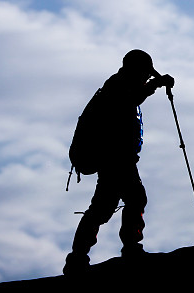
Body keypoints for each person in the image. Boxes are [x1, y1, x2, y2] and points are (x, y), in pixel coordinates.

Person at [64, 49, 174, 275]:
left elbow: (133, 98)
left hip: (114, 158)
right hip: (115, 159)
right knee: (134, 198)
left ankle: (78, 257)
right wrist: (155, 85)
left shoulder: (117, 84)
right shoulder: (117, 85)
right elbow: (131, 99)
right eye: (144, 73)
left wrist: (154, 84)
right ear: (136, 69)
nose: (146, 78)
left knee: (102, 209)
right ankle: (130, 249)